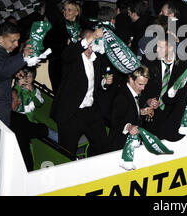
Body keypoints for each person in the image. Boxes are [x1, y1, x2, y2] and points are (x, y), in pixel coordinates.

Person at [51, 28, 113, 157]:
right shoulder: (73, 57)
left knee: (102, 144)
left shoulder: (97, 59)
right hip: (71, 112)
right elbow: (67, 54)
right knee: (67, 152)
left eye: (95, 43)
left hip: (90, 111)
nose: (92, 46)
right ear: (83, 41)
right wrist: (93, 36)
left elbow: (94, 84)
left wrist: (104, 83)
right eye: (90, 42)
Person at [0, 21, 33, 126]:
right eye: (13, 41)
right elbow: (0, 71)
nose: (17, 45)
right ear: (0, 39)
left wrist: (13, 70)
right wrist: (23, 56)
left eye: (18, 41)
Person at [141, 33, 187, 136]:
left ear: (171, 48)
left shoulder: (183, 65)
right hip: (151, 115)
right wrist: (148, 100)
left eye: (161, 47)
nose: (157, 50)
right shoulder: (148, 60)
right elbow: (139, 85)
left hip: (172, 116)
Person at [10, 68, 49, 171]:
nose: (26, 79)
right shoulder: (15, 90)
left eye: (29, 77)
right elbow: (13, 99)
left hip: (30, 122)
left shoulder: (34, 90)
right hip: (18, 125)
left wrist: (32, 90)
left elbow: (40, 102)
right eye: (24, 76)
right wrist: (18, 86)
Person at [108, 65, 152, 151]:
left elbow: (129, 110)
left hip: (133, 143)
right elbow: (115, 120)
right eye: (140, 84)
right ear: (131, 79)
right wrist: (129, 127)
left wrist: (141, 111)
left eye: (145, 85)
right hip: (121, 146)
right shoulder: (121, 96)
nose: (143, 88)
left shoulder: (135, 91)